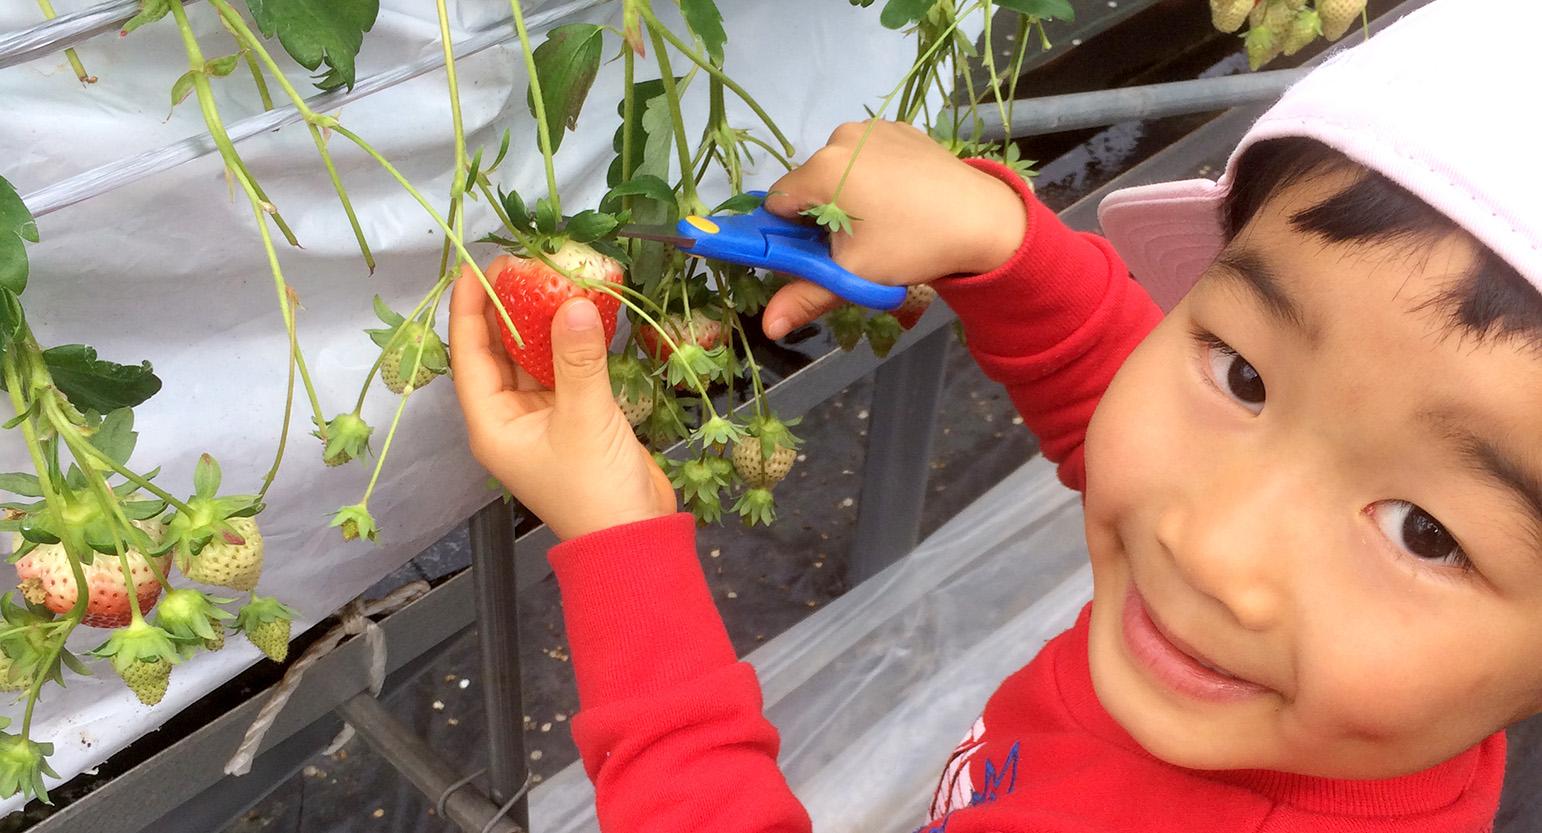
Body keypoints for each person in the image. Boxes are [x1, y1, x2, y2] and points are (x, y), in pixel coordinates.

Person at [448, 0, 1542, 829]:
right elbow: (1133, 392)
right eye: (1246, 376)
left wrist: (620, 549)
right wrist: (1003, 246)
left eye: (1424, 532)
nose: (1210, 544)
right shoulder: (1353, 708)